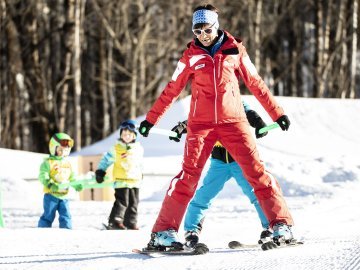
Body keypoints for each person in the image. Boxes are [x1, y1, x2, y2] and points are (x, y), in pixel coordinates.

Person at [138, 4, 294, 250]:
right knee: (187, 178)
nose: (202, 35)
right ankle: (163, 233)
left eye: (206, 29)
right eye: (197, 31)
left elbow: (255, 82)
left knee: (258, 174)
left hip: (235, 122)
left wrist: (277, 113)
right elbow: (172, 89)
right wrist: (151, 119)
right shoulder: (190, 56)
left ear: (215, 26)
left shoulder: (235, 50)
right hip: (201, 126)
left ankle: (281, 225)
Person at [169, 102, 272, 247]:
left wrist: (259, 123)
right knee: (203, 197)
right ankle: (191, 232)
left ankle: (269, 227)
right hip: (218, 164)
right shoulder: (210, 102)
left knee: (256, 193)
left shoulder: (234, 99)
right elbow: (197, 120)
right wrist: (181, 127)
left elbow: (248, 113)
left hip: (240, 161)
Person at [95, 119, 144, 230]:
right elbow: (106, 160)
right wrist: (100, 171)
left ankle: (130, 222)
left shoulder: (138, 149)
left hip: (135, 181)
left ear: (135, 136)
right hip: (121, 180)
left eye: (129, 134)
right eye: (124, 134)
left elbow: (140, 164)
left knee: (133, 203)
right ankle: (115, 221)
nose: (126, 136)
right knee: (122, 202)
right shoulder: (116, 148)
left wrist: (141, 174)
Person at [38, 133, 83, 229]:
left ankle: (66, 232)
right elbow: (43, 176)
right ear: (53, 148)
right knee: (48, 216)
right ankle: (42, 232)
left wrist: (76, 185)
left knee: (66, 216)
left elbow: (71, 177)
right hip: (51, 195)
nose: (63, 152)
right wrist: (50, 184)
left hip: (64, 196)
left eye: (66, 150)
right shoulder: (47, 163)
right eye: (60, 150)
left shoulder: (67, 163)